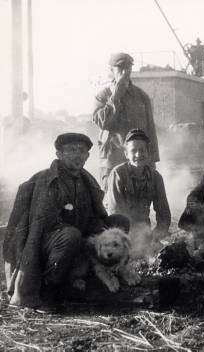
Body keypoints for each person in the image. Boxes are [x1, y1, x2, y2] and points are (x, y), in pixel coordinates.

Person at [3, 133, 129, 312]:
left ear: (87, 156)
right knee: (71, 235)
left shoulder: (86, 181)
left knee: (119, 223)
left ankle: (103, 273)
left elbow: (95, 218)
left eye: (82, 151)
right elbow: (39, 229)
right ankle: (48, 289)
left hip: (74, 242)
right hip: (46, 247)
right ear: (59, 154)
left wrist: (100, 230)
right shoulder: (48, 181)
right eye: (71, 150)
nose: (78, 155)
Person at [93, 52, 159, 191]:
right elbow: (103, 123)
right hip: (112, 159)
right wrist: (115, 96)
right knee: (112, 204)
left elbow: (150, 130)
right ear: (111, 70)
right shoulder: (103, 96)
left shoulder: (141, 97)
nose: (125, 71)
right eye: (120, 67)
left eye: (128, 67)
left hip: (137, 159)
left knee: (139, 202)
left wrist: (152, 160)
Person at [106, 129, 171, 237]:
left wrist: (158, 234)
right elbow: (115, 211)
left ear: (148, 152)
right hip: (118, 231)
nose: (138, 154)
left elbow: (163, 212)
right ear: (126, 154)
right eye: (133, 151)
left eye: (142, 150)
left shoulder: (156, 177)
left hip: (143, 230)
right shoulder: (118, 174)